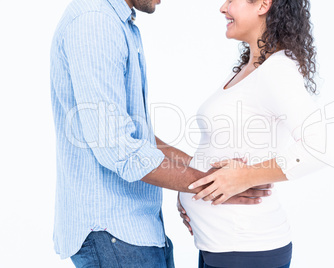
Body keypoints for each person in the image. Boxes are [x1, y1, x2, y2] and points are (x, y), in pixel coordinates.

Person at [50, 0, 273, 267]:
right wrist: (212, 184)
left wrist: (205, 176)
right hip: (112, 233)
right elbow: (118, 148)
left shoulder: (115, 23)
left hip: (132, 230)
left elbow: (137, 138)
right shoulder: (95, 23)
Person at [177, 0, 333, 267]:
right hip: (220, 245)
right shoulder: (250, 69)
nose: (223, 8)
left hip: (247, 248)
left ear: (262, 4)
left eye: (231, 0)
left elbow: (320, 147)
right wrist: (188, 191)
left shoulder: (278, 69)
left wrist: (243, 177)